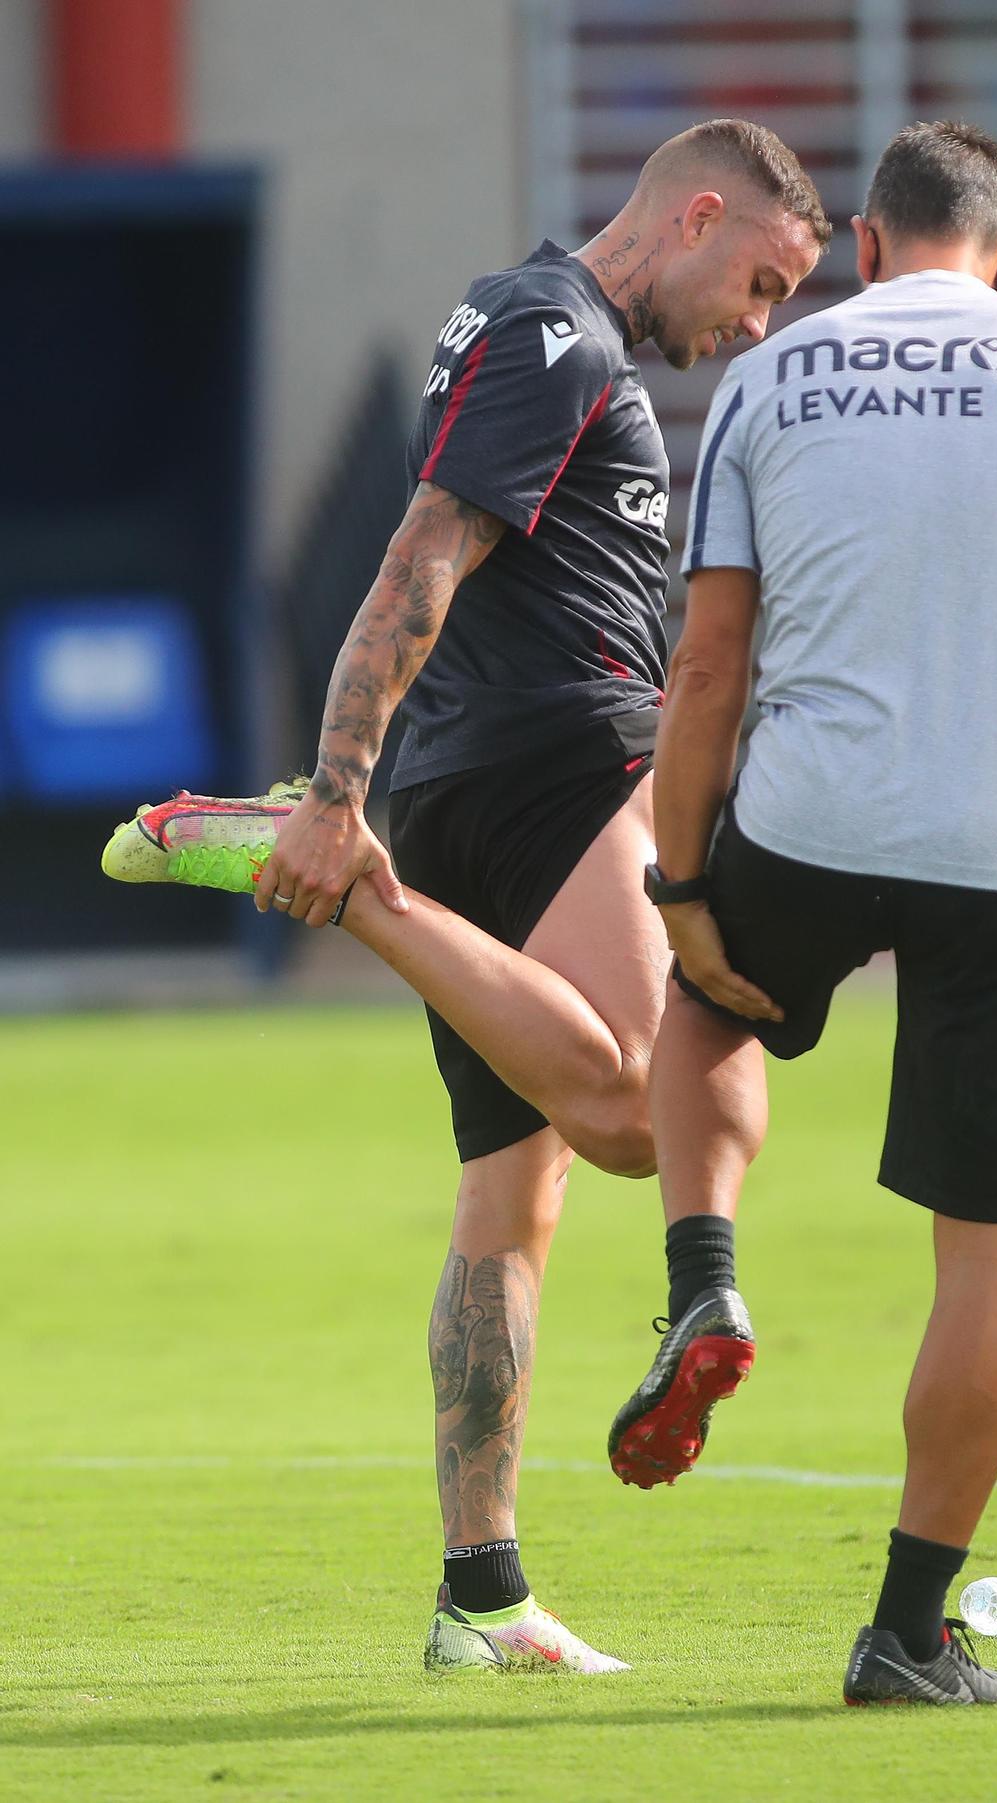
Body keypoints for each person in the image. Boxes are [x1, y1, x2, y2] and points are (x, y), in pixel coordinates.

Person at [101, 119, 830, 1674]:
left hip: (465, 784)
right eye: (761, 280)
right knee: (651, 1112)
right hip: (553, 772)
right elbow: (419, 557)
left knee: (516, 1197)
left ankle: (481, 1595)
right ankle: (332, 870)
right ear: (696, 213)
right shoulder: (557, 335)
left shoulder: (535, 327)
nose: (755, 325)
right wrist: (340, 797)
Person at [606, 120, 997, 1706]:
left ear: (864, 246)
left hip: (806, 824)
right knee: (988, 1262)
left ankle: (704, 1276)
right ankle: (909, 1628)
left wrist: (680, 879)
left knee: (710, 1006)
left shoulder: (766, 377)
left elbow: (710, 661)